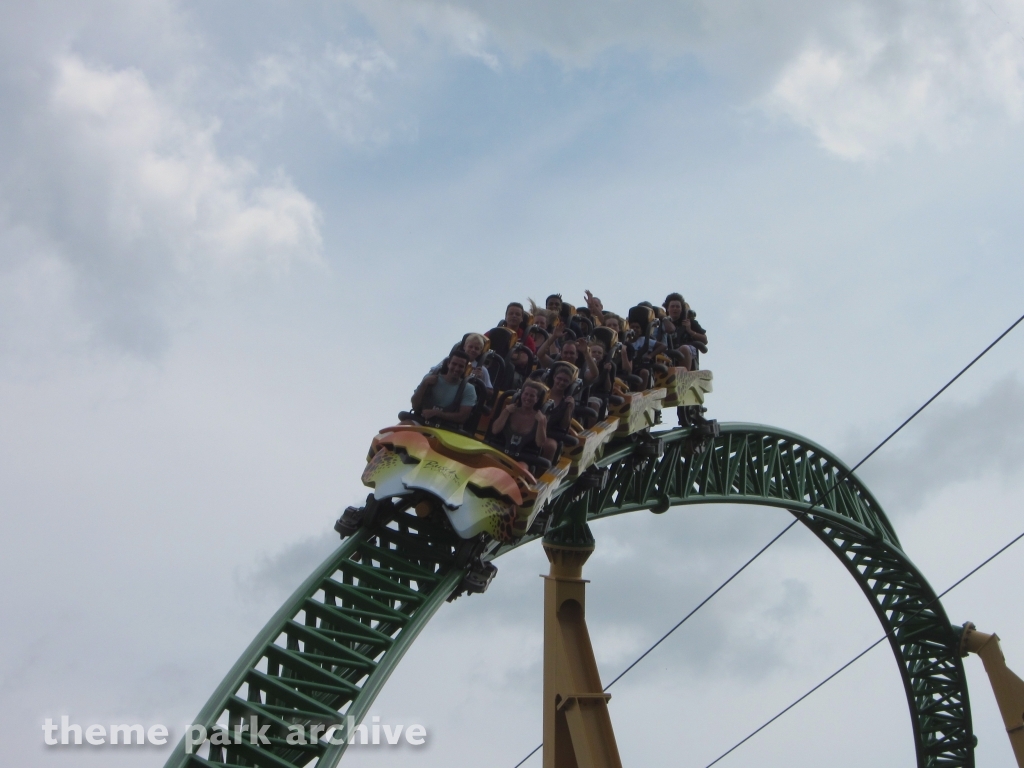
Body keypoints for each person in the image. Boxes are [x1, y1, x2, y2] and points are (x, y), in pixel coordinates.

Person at [489, 380, 556, 466]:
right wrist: (505, 412)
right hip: (501, 451)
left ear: (537, 399)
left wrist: (541, 423)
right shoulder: (510, 411)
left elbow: (540, 443)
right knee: (489, 458)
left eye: (532, 396)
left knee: (521, 468)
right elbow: (495, 430)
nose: (528, 398)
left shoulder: (540, 418)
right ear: (521, 395)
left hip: (524, 459)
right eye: (526, 394)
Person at [409, 350, 477, 428]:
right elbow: (415, 404)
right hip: (421, 421)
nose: (456, 368)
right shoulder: (430, 377)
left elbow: (462, 417)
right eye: (454, 364)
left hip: (447, 428)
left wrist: (437, 413)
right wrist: (424, 385)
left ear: (465, 368)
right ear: (448, 364)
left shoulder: (468, 389)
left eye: (461, 366)